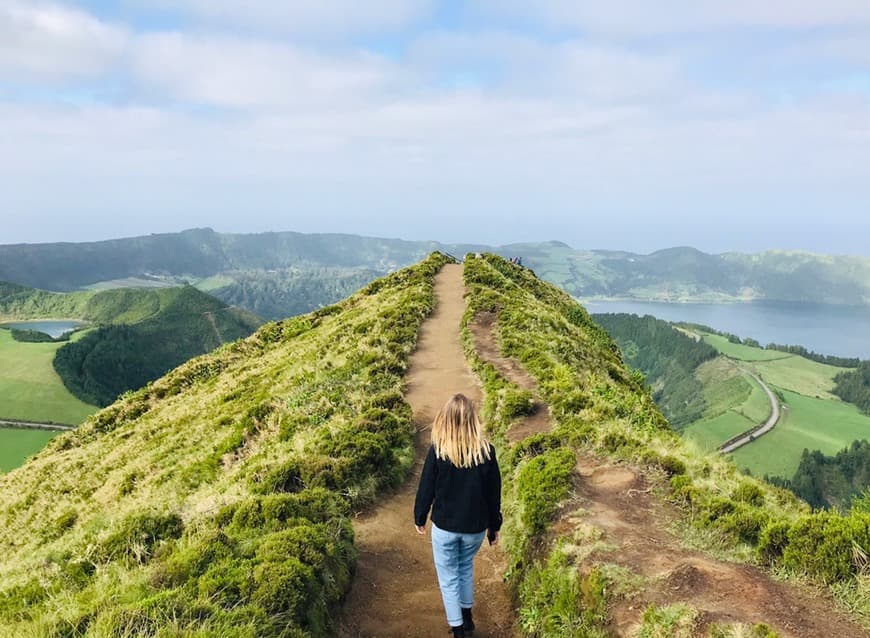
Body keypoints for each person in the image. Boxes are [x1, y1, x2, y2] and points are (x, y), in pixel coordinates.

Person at [414, 394, 502, 637]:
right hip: (474, 529)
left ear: (446, 420)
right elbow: (493, 495)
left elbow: (426, 488)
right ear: (473, 420)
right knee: (464, 568)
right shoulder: (487, 453)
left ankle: (458, 630)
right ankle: (467, 618)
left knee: (448, 577)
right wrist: (494, 527)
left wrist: (420, 517)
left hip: (445, 528)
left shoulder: (439, 451)